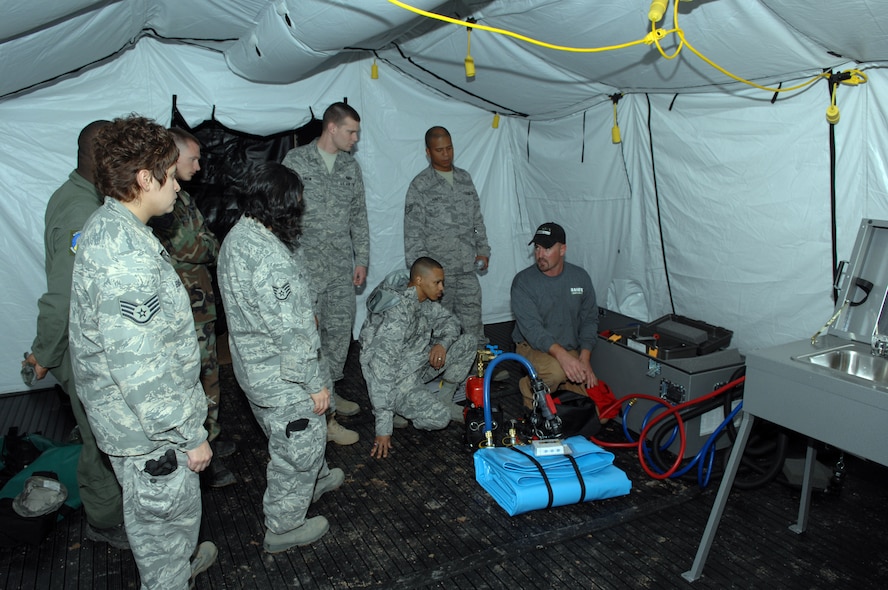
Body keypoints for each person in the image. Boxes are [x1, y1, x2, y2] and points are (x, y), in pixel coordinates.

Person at [68, 115, 216, 589]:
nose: (177, 185)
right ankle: (171, 575)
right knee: (163, 531)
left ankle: (175, 566)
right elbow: (140, 368)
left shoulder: (116, 227)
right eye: (170, 174)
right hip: (151, 434)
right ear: (144, 179)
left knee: (165, 532)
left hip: (135, 424)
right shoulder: (125, 257)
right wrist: (188, 435)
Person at [217, 162, 343, 552]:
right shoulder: (268, 256)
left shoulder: (240, 237)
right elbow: (290, 332)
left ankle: (315, 480)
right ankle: (284, 526)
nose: (300, 210)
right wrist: (314, 385)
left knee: (296, 438)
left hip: (255, 368)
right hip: (282, 375)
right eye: (296, 204)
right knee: (296, 446)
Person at [22, 120, 129, 549]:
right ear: (99, 156)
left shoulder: (88, 199)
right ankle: (104, 520)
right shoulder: (79, 211)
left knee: (99, 431)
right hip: (82, 348)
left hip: (93, 343)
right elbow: (63, 294)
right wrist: (43, 353)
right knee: (100, 439)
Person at [148, 127, 236, 489]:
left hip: (199, 305)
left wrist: (207, 242)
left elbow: (205, 238)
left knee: (208, 375)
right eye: (193, 159)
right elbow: (194, 247)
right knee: (193, 380)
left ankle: (210, 437)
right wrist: (208, 244)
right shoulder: (162, 202)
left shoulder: (181, 197)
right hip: (185, 309)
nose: (199, 166)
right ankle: (199, 455)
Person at [281, 102, 369, 446]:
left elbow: (359, 216)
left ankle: (330, 392)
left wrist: (361, 257)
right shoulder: (296, 162)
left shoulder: (351, 166)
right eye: (351, 131)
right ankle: (325, 417)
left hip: (340, 268)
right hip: (307, 268)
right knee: (312, 342)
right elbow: (284, 217)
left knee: (340, 333)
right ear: (331, 127)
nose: (355, 138)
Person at [360, 257, 474, 459]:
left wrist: (442, 344)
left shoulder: (422, 300)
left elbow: (451, 322)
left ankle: (444, 398)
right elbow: (381, 371)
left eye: (442, 282)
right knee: (441, 418)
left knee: (468, 343)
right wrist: (383, 429)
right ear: (420, 281)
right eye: (437, 283)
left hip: (416, 364)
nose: (442, 288)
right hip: (396, 381)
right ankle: (397, 407)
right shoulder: (398, 314)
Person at [403, 126, 491, 345]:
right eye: (439, 150)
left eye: (449, 148)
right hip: (438, 276)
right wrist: (425, 277)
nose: (446, 154)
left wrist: (482, 249)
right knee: (437, 329)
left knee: (473, 325)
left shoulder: (464, 179)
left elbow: (476, 220)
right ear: (428, 152)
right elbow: (413, 235)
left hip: (467, 270)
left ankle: (478, 373)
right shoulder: (420, 186)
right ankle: (439, 374)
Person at [510, 222, 600, 409]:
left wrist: (584, 358)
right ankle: (528, 389)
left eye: (547, 248)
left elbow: (590, 319)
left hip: (568, 345)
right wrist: (564, 358)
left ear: (562, 249)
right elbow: (533, 331)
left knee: (599, 410)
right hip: (533, 347)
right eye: (537, 248)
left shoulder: (580, 277)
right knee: (555, 372)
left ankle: (562, 385)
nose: (540, 255)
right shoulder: (523, 282)